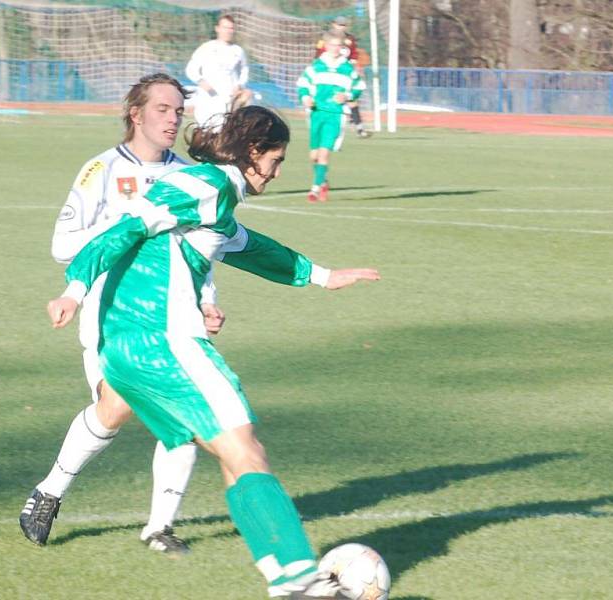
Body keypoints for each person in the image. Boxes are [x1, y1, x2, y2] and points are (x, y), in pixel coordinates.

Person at [46, 105, 381, 598]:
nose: (278, 170)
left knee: (234, 451)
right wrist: (74, 291)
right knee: (245, 448)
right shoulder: (206, 185)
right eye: (276, 158)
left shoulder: (214, 197)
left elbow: (246, 246)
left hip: (133, 349)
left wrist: (324, 276)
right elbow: (122, 230)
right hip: (165, 343)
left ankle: (282, 575)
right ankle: (297, 577)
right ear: (252, 152)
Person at [19, 73, 226, 553]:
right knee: (115, 407)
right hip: (110, 313)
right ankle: (50, 491)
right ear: (136, 114)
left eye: (178, 110)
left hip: (172, 316)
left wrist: (208, 299)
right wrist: (130, 222)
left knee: (184, 413)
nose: (174, 119)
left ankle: (160, 527)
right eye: (163, 109)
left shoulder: (188, 177)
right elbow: (61, 246)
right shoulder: (102, 171)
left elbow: (199, 248)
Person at [298, 31, 365, 203]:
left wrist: (347, 96)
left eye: (339, 46)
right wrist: (306, 98)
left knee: (323, 154)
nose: (336, 49)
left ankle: (314, 189)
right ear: (326, 46)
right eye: (332, 45)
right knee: (313, 155)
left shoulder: (347, 68)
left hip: (335, 115)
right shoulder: (316, 66)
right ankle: (323, 181)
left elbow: (359, 86)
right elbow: (303, 85)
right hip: (316, 113)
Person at [185, 14, 252, 129]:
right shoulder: (207, 48)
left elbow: (245, 70)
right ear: (217, 28)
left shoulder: (238, 51)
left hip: (229, 99)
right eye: (225, 27)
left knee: (227, 133)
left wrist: (240, 85)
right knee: (206, 132)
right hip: (209, 98)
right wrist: (201, 81)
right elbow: (191, 69)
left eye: (231, 28)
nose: (228, 31)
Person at [314, 16, 371, 139]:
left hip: (344, 73)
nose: (341, 27)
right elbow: (318, 55)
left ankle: (359, 128)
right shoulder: (325, 38)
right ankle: (324, 125)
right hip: (328, 72)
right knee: (327, 98)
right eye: (339, 25)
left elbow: (354, 55)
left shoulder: (350, 39)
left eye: (343, 25)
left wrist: (356, 69)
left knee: (351, 98)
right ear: (333, 24)